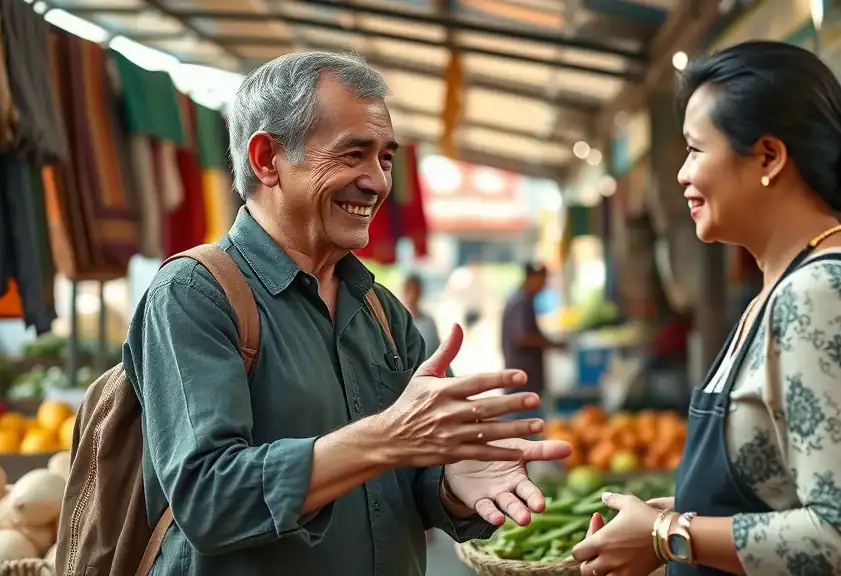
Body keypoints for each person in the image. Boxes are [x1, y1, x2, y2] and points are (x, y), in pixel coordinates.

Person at [123, 51, 570, 576]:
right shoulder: (194, 294)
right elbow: (210, 499)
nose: (378, 183)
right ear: (268, 159)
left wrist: (454, 484)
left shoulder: (383, 312)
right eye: (353, 154)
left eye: (385, 158)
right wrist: (385, 438)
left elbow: (407, 483)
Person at [572, 41, 841, 576]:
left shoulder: (819, 297)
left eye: (695, 150)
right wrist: (682, 515)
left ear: (768, 157)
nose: (683, 175)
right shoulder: (783, 287)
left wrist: (669, 536)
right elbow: (782, 493)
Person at [500, 263, 563, 419]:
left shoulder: (523, 299)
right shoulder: (521, 301)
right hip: (522, 376)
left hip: (524, 376)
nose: (544, 284)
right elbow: (524, 337)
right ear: (533, 277)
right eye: (542, 279)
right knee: (523, 423)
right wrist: (551, 344)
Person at [402, 272, 441, 356]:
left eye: (415, 290)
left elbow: (437, 351)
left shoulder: (429, 323)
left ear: (420, 293)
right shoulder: (395, 321)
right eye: (408, 290)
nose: (412, 295)